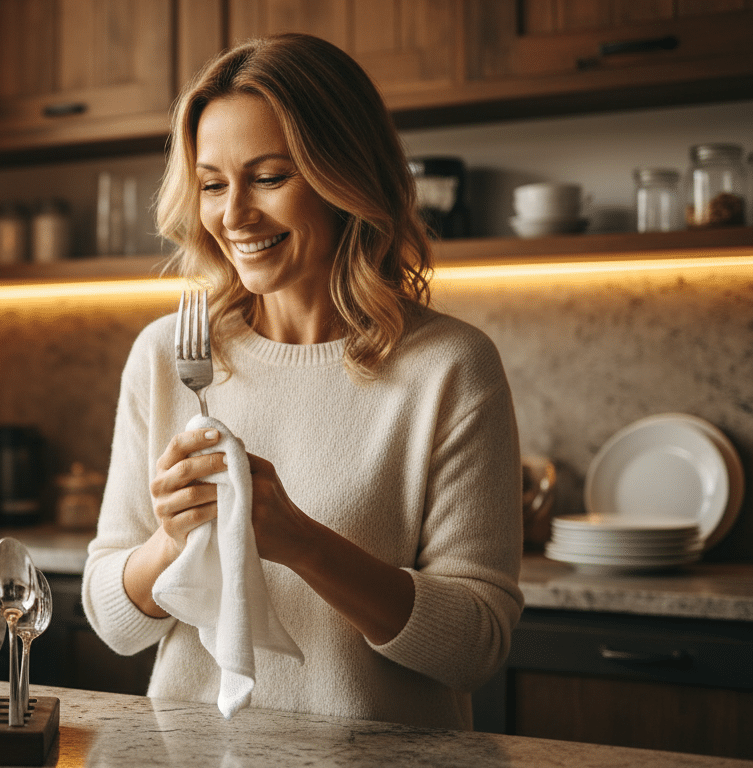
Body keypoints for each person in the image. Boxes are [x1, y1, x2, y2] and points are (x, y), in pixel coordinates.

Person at [81, 33, 523, 731]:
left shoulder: (450, 367)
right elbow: (114, 621)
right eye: (213, 184)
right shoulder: (168, 353)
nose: (234, 216)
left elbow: (476, 644)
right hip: (193, 754)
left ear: (344, 176)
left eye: (269, 177)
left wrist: (301, 543)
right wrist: (171, 541)